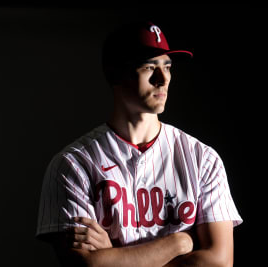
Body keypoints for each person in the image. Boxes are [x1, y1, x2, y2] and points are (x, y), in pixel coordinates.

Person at [36, 21, 243, 267]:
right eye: (149, 67)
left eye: (167, 66)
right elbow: (85, 265)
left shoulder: (203, 159)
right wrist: (179, 243)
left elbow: (218, 262)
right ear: (114, 73)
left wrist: (115, 257)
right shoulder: (72, 165)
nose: (162, 78)